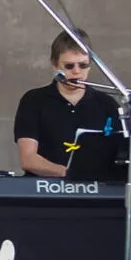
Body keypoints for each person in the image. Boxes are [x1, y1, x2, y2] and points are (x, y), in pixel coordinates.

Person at [13, 31, 119, 178]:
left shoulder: (107, 104)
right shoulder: (34, 100)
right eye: (69, 66)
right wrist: (69, 174)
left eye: (83, 65)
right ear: (55, 64)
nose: (77, 72)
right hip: (45, 190)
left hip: (95, 191)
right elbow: (28, 159)